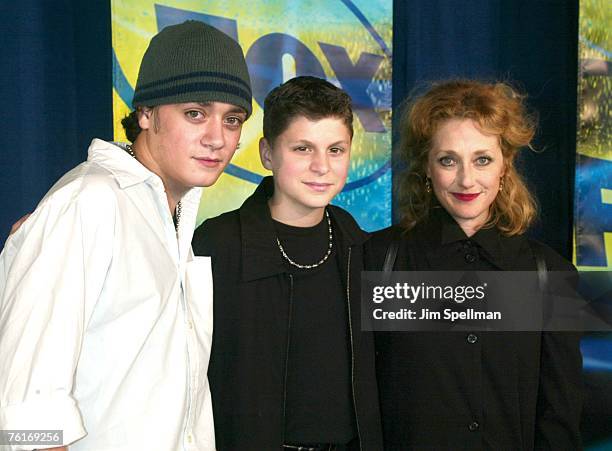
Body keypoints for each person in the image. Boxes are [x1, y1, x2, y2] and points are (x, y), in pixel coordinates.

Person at [0, 21, 251, 451]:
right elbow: (22, 407)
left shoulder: (175, 218)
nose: (217, 138)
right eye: (195, 113)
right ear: (146, 113)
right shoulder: (89, 201)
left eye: (232, 119)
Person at [365, 80, 583, 450]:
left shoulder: (551, 275)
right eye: (448, 160)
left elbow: (559, 423)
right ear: (427, 168)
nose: (466, 179)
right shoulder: (379, 259)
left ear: (505, 165)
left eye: (482, 159)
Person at [192, 76, 382, 451]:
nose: (321, 167)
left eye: (336, 150)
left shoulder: (361, 245)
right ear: (267, 153)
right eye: (302, 149)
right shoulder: (217, 244)